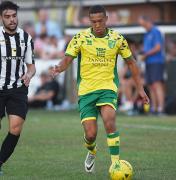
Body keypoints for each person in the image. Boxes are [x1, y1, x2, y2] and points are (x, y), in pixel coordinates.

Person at [51, 5, 149, 173]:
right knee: (90, 135)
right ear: (90, 21)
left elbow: (131, 63)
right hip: (86, 90)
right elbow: (67, 59)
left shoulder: (117, 39)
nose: (97, 24)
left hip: (107, 88)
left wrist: (140, 88)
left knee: (109, 121)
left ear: (106, 19)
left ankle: (116, 165)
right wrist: (59, 68)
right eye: (93, 21)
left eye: (100, 21)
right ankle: (91, 150)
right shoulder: (80, 38)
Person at [0, 1, 36, 175]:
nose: (12, 20)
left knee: (15, 128)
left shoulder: (26, 38)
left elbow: (31, 66)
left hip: (17, 88)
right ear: (1, 18)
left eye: (14, 16)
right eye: (7, 17)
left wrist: (28, 75)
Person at [138, 16, 165, 115]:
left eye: (143, 24)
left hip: (156, 62)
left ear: (147, 21)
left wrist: (145, 55)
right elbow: (146, 49)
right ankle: (154, 109)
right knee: (150, 86)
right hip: (148, 63)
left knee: (157, 85)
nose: (142, 26)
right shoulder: (146, 34)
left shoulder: (155, 31)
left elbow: (158, 47)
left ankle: (161, 109)